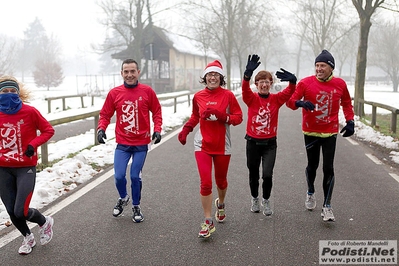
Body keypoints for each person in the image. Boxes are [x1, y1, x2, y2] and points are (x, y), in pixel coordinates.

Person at [286, 50, 355, 222]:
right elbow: (290, 102)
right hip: (310, 131)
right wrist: (299, 102)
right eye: (317, 65)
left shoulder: (340, 84)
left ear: (331, 68)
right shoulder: (305, 83)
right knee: (312, 166)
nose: (319, 69)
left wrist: (350, 121)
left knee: (328, 168)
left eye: (322, 65)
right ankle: (310, 192)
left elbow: (346, 103)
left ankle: (327, 206)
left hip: (330, 132)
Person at [178, 60, 243, 238]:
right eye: (209, 74)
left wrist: (223, 116)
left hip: (222, 145)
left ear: (221, 78)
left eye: (216, 75)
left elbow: (238, 118)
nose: (212, 77)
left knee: (221, 182)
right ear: (205, 77)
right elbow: (195, 116)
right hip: (202, 145)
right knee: (205, 183)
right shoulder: (198, 96)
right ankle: (207, 221)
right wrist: (187, 129)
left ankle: (220, 203)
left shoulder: (228, 96)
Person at [97, 59, 162, 223]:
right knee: (119, 176)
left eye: (132, 71)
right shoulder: (115, 93)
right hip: (123, 144)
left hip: (141, 144)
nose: (129, 75)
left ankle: (136, 206)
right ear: (121, 73)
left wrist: (158, 129)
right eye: (126, 72)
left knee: (134, 176)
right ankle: (123, 197)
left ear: (138, 72)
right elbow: (105, 114)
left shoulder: (147, 91)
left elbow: (157, 111)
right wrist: (101, 129)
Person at [0, 76, 55, 255]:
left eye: (12, 91)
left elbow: (48, 130)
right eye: (4, 91)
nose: (9, 94)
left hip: (25, 167)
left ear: (18, 93)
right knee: (11, 211)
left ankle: (44, 221)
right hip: (3, 168)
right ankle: (27, 237)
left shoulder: (29, 112)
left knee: (20, 210)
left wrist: (33, 144)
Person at [242, 55, 297, 216]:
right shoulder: (250, 98)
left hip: (270, 144)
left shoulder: (276, 99)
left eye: (267, 82)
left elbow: (289, 92)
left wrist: (293, 81)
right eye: (261, 82)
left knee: (267, 174)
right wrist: (247, 76)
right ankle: (254, 198)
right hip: (252, 142)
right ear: (256, 84)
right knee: (253, 173)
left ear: (271, 84)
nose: (264, 85)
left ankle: (266, 200)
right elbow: (244, 89)